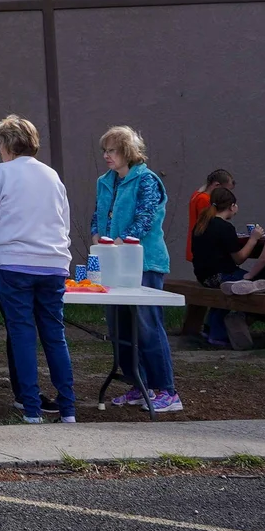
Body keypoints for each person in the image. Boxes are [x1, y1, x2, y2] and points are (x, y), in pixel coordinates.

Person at [0, 114, 77, 425]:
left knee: (22, 334)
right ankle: (68, 408)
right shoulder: (52, 176)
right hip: (54, 263)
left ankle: (31, 409)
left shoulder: (1, 175)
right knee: (54, 334)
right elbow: (65, 222)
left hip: (14, 263)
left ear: (5, 145)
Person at [91, 125, 181, 413]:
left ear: (127, 152)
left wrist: (119, 239)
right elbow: (98, 213)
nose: (107, 156)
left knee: (147, 325)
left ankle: (165, 390)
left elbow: (146, 218)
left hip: (144, 261)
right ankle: (138, 384)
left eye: (112, 151)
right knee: (121, 326)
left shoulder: (146, 180)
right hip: (113, 263)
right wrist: (97, 233)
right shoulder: (105, 181)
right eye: (105, 150)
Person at [189, 186, 255, 348]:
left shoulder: (202, 224)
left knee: (228, 290)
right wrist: (254, 239)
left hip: (204, 276)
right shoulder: (225, 227)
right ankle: (219, 334)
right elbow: (239, 258)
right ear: (232, 206)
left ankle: (210, 328)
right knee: (253, 282)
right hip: (221, 275)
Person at [186, 168, 233, 263]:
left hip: (197, 244)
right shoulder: (205, 200)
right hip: (203, 247)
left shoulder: (197, 195)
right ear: (217, 185)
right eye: (225, 190)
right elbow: (212, 223)